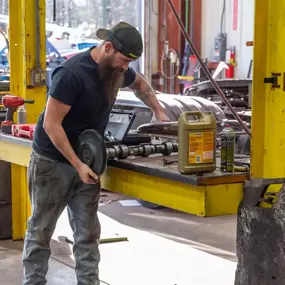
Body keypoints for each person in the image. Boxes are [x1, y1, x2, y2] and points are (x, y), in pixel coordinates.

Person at [22, 21, 169, 285]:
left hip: (88, 161)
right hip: (52, 162)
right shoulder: (71, 74)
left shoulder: (116, 70)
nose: (126, 68)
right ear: (108, 47)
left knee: (88, 235)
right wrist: (77, 164)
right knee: (40, 232)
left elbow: (140, 85)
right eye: (124, 60)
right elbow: (51, 125)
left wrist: (159, 111)